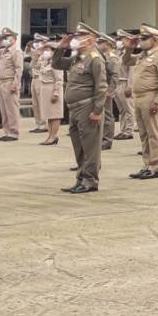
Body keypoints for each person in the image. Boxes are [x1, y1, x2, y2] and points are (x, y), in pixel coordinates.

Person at [54, 28, 109, 194]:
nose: (75, 39)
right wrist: (60, 48)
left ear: (91, 39)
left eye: (79, 37)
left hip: (87, 107)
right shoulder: (76, 58)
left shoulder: (95, 59)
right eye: (75, 37)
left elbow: (101, 86)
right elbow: (56, 64)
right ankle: (80, 178)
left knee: (90, 148)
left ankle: (90, 181)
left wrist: (98, 110)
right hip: (74, 108)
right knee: (79, 147)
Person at [125, 27, 158, 179]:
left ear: (155, 40)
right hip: (138, 97)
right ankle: (147, 164)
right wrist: (129, 48)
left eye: (144, 39)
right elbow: (126, 61)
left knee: (153, 134)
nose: (141, 42)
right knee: (144, 134)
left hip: (150, 97)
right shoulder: (143, 55)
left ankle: (156, 166)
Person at [32, 38, 64, 144]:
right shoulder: (45, 62)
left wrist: (56, 92)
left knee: (54, 114)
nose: (45, 51)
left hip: (52, 88)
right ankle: (50, 135)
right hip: (44, 88)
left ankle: (54, 136)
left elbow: (59, 79)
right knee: (49, 115)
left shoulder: (56, 63)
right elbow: (34, 66)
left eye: (48, 49)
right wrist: (36, 55)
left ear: (53, 51)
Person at [0, 28, 22, 141]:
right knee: (4, 109)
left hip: (10, 82)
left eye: (7, 38)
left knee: (11, 109)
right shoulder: (4, 51)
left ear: (14, 39)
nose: (5, 40)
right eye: (4, 38)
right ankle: (7, 131)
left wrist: (15, 84)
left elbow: (19, 69)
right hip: (2, 83)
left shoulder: (16, 51)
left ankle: (14, 132)